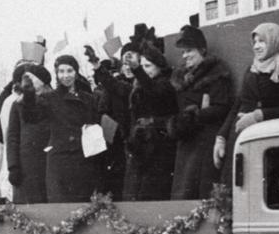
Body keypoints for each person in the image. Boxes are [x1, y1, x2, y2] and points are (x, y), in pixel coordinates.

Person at [213, 23, 279, 184]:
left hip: (267, 139)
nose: (256, 46)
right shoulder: (252, 68)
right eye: (254, 42)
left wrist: (258, 116)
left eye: (262, 41)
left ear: (274, 41)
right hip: (239, 136)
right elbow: (238, 104)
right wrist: (221, 137)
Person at [22, 54, 104, 202]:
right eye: (61, 71)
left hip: (83, 161)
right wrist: (28, 92)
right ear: (57, 74)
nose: (65, 75)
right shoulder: (49, 98)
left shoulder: (88, 99)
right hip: (59, 162)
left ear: (76, 72)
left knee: (83, 208)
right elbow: (31, 117)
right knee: (61, 207)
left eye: (70, 71)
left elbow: (95, 126)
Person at [169, 25, 233, 199]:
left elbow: (223, 107)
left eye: (189, 50)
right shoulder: (181, 76)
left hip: (205, 141)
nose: (185, 56)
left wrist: (196, 115)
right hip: (187, 140)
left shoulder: (217, 73)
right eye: (183, 52)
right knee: (183, 192)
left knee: (200, 192)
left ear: (202, 50)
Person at [122, 42, 179, 201]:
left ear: (159, 67)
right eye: (142, 66)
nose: (145, 70)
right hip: (142, 147)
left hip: (158, 149)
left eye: (148, 66)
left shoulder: (165, 85)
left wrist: (137, 70)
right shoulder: (140, 87)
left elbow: (155, 93)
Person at [89, 44, 138, 200]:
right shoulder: (117, 87)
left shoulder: (142, 86)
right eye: (124, 63)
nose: (128, 67)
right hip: (118, 145)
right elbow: (103, 111)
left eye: (131, 63)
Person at [7, 63, 52, 204]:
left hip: (50, 161)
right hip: (26, 165)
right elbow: (12, 138)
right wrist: (13, 166)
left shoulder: (53, 101)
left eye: (31, 77)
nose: (27, 80)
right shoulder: (18, 105)